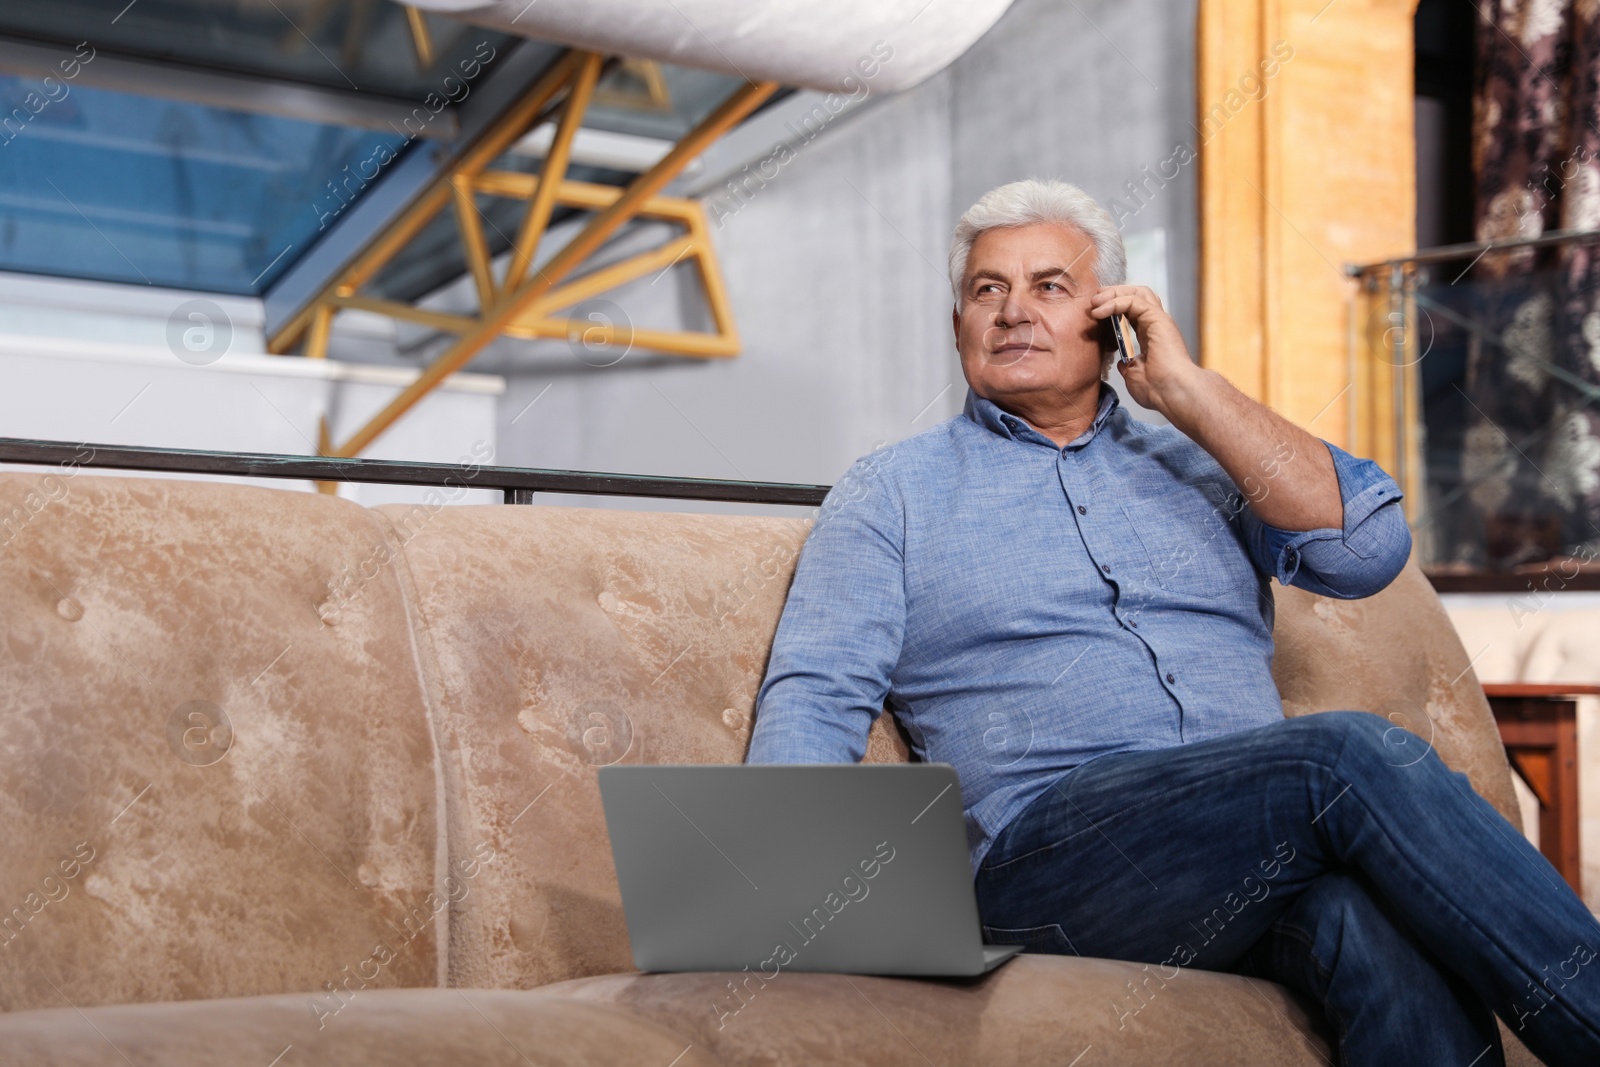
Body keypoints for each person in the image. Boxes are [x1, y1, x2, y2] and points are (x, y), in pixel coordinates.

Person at [745, 179, 1600, 1064]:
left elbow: (1365, 551)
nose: (1011, 312)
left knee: (1364, 924)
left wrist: (1190, 391)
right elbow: (818, 692)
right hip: (1048, 859)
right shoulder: (891, 493)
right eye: (986, 290)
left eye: (1049, 286)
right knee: (1346, 752)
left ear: (1114, 319)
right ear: (957, 321)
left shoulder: (1203, 459)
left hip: (1233, 862)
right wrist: (784, 906)